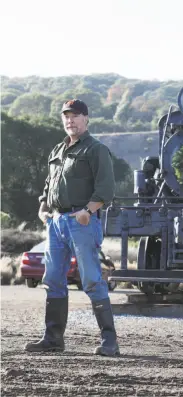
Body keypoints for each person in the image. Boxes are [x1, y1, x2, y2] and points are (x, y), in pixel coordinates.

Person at [25, 99, 119, 357]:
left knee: (91, 280)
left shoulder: (95, 149)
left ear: (86, 119)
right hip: (55, 223)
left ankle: (109, 341)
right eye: (66, 116)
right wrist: (43, 208)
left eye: (75, 116)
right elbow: (49, 183)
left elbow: (107, 188)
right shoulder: (57, 150)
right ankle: (52, 338)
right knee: (53, 279)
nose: (70, 120)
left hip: (82, 222)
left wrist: (88, 212)